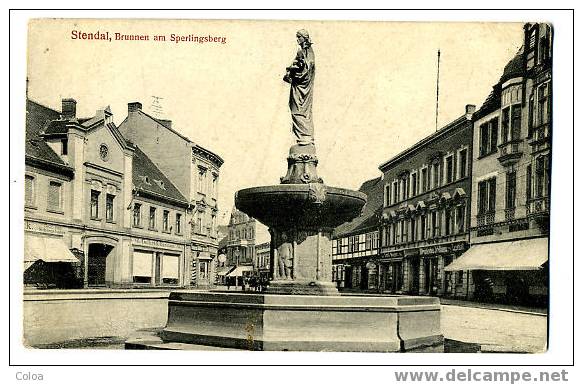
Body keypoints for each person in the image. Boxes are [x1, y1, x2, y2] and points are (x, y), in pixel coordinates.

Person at [284, 29, 316, 146]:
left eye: (299, 37)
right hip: (297, 86)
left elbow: (308, 69)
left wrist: (294, 71)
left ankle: (306, 137)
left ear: (304, 38)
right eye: (297, 37)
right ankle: (302, 137)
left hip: (303, 87)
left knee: (299, 111)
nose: (297, 40)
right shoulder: (302, 51)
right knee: (294, 110)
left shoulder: (308, 51)